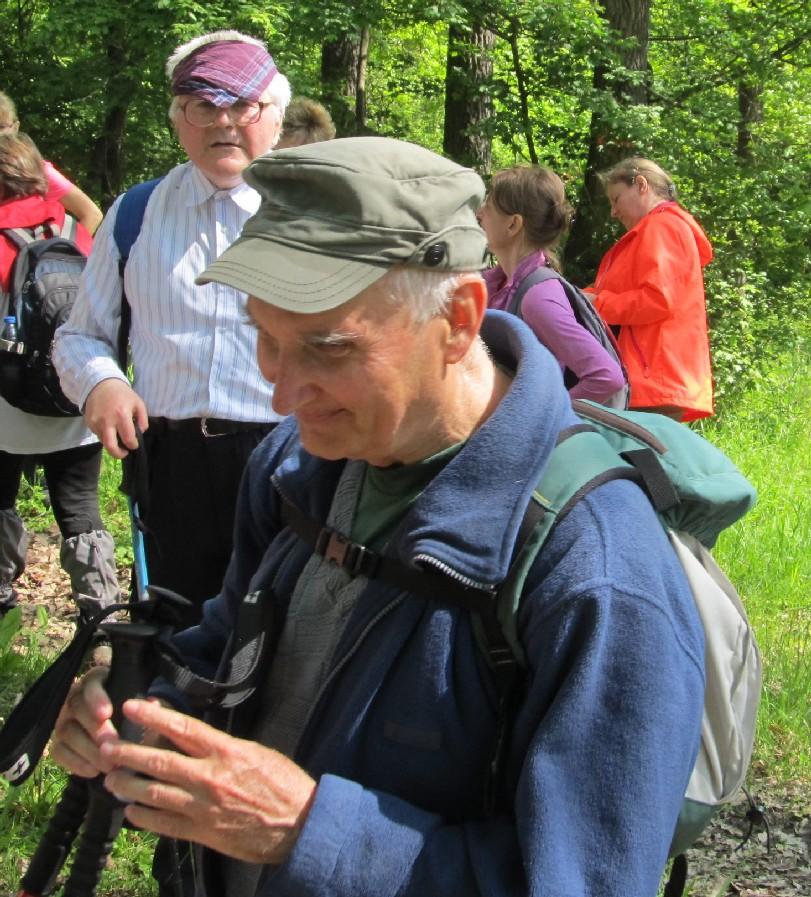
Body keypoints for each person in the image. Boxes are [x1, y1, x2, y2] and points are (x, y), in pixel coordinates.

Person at [51, 137, 705, 897]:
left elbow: (581, 880)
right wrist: (135, 708)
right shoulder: (298, 463)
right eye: (264, 336)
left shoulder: (594, 568)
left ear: (459, 319)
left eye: (327, 348)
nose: (280, 395)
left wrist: (305, 832)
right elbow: (222, 649)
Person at [53, 31, 291, 627]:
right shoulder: (135, 214)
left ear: (275, 116)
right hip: (171, 465)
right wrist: (101, 383)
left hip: (288, 461)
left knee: (282, 633)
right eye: (203, 106)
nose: (224, 122)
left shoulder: (311, 218)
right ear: (177, 119)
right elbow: (79, 336)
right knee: (175, 633)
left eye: (243, 106)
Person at [0, 132, 119, 619]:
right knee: (80, 506)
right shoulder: (75, 228)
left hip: (9, 412)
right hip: (78, 395)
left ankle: (3, 611)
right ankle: (102, 616)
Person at [478, 165, 626, 406]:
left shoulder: (538, 297)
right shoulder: (494, 284)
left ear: (513, 224)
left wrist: (542, 417)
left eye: (490, 207)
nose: (480, 213)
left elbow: (607, 377)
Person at [585, 156, 714, 421]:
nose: (613, 212)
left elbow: (657, 300)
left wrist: (596, 305)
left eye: (616, 199)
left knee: (636, 461)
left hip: (653, 376)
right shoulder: (656, 229)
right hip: (654, 376)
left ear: (641, 185)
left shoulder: (663, 226)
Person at [0, 91, 103, 234]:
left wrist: (67, 252)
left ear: (15, 128)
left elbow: (91, 214)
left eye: (0, 127)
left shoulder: (35, 171)